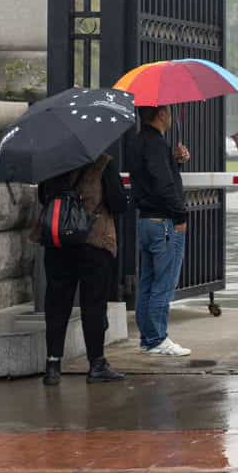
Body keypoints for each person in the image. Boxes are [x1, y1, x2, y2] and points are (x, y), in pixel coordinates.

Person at [32, 153, 129, 385]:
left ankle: (53, 365)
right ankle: (96, 364)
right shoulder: (103, 163)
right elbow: (117, 202)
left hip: (58, 244)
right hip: (93, 242)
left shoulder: (52, 164)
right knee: (93, 304)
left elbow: (43, 197)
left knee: (57, 302)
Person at [129, 104, 192, 357]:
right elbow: (163, 183)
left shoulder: (138, 141)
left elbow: (151, 175)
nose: (171, 117)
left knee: (147, 283)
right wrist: (180, 214)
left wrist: (174, 160)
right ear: (161, 114)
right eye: (169, 112)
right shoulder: (155, 144)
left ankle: (148, 338)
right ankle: (157, 339)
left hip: (146, 221)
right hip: (164, 223)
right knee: (164, 284)